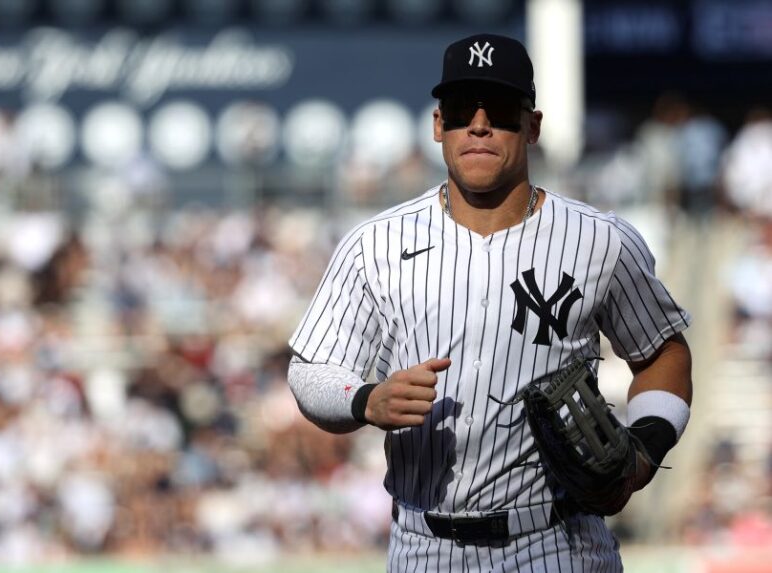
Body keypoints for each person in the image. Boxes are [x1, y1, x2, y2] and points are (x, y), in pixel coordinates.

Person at [287, 33, 693, 572]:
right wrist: (366, 399)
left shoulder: (600, 240)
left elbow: (663, 353)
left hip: (558, 541)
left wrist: (645, 449)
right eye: (460, 109)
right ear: (439, 126)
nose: (478, 124)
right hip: (421, 542)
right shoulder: (374, 244)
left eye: (499, 109)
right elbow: (311, 371)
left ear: (532, 125)